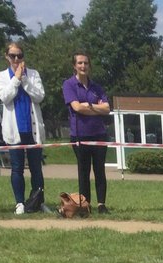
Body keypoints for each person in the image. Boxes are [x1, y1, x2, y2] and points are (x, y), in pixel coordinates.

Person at [0, 43, 46, 215]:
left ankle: (38, 200)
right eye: (12, 55)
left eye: (19, 55)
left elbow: (39, 96)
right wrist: (16, 79)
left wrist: (24, 79)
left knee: (36, 168)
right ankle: (20, 202)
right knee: (17, 168)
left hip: (32, 129)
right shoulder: (1, 76)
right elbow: (4, 97)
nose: (16, 59)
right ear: (7, 56)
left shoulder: (33, 74)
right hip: (14, 128)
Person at [63, 52, 111, 214]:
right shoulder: (68, 85)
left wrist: (88, 107)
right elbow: (76, 107)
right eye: (80, 63)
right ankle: (85, 205)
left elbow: (106, 109)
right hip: (79, 135)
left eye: (86, 63)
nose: (83, 66)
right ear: (74, 66)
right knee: (83, 171)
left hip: (99, 134)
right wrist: (95, 108)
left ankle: (101, 205)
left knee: (99, 170)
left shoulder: (96, 87)